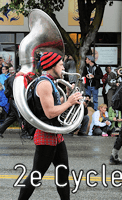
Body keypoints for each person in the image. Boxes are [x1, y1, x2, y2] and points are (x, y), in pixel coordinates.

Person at [17, 52, 83, 199]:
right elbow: (50, 113)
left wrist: (66, 95)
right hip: (46, 134)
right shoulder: (44, 83)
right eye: (60, 64)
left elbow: (52, 103)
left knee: (63, 174)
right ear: (52, 66)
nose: (63, 67)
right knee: (36, 176)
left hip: (55, 134)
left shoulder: (49, 81)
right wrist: (69, 102)